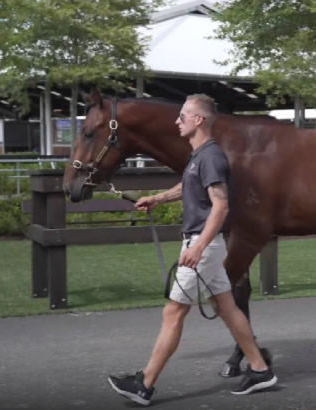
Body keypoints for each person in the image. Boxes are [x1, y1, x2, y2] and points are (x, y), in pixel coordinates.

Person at [107, 94, 277, 406]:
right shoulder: (200, 156)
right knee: (227, 308)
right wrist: (157, 198)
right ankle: (260, 369)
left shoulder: (211, 157)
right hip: (206, 245)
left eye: (183, 116)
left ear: (199, 120)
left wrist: (198, 247)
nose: (177, 121)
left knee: (173, 312)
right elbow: (188, 186)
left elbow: (221, 206)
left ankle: (144, 385)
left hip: (203, 245)